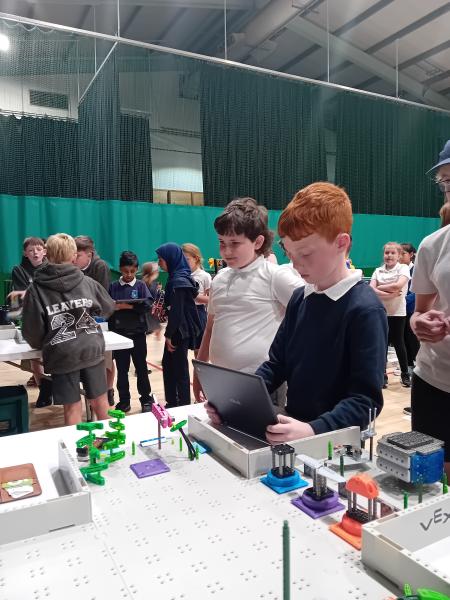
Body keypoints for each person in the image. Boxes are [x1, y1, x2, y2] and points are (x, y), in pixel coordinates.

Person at [204, 183, 387, 443]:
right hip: (294, 428)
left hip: (336, 442)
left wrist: (314, 429)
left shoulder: (364, 309)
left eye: (306, 254)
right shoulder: (301, 298)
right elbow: (276, 365)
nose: (296, 264)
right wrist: (235, 400)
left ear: (341, 243)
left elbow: (365, 400)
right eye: (290, 254)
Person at [193, 197, 303, 407]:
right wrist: (199, 372)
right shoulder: (220, 279)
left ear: (258, 242)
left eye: (235, 243)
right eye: (222, 242)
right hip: (222, 380)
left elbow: (312, 312)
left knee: (264, 430)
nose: (226, 251)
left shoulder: (275, 276)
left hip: (264, 382)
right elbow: (210, 327)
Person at [21, 233, 115, 425]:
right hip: (91, 348)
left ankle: (76, 444)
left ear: (47, 255)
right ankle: (109, 441)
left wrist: (43, 343)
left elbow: (32, 330)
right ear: (73, 256)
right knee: (100, 402)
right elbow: (108, 307)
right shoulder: (87, 281)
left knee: (72, 408)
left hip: (62, 353)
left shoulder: (36, 289)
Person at [410, 139, 450, 478]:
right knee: (432, 483)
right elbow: (419, 312)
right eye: (446, 181)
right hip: (433, 381)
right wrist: (420, 324)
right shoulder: (433, 245)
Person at [108, 251, 155, 413]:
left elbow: (147, 305)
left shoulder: (140, 285)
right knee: (122, 370)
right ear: (120, 269)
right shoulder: (113, 286)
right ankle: (124, 401)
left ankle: (146, 399)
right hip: (119, 336)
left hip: (138, 334)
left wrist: (126, 306)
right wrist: (114, 307)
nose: (129, 275)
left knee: (141, 368)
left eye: (132, 271)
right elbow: (107, 306)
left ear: (137, 269)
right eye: (125, 271)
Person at [156, 243, 201, 408]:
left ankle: (183, 405)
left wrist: (169, 335)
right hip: (177, 329)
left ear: (171, 259)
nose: (159, 263)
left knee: (180, 369)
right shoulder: (176, 277)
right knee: (169, 366)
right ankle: (172, 402)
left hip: (179, 331)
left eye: (161, 259)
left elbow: (177, 312)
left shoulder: (179, 281)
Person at [74, 235, 116, 407]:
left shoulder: (100, 266)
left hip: (100, 319)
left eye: (78, 255)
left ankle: (109, 390)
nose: (74, 258)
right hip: (82, 321)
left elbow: (101, 297)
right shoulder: (75, 266)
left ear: (89, 254)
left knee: (106, 358)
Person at [10, 237, 52, 407]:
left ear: (45, 251)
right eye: (31, 250)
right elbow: (22, 295)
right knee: (35, 356)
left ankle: (54, 386)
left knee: (52, 355)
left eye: (38, 249)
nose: (35, 253)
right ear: (25, 253)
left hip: (51, 316)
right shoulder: (19, 270)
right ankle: (44, 389)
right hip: (31, 318)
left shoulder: (51, 268)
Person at [370, 243, 411, 388]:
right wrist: (390, 294)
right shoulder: (378, 270)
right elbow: (371, 289)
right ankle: (382, 375)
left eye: (393, 253)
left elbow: (397, 286)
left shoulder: (403, 268)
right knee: (382, 344)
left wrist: (380, 288)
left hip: (398, 312)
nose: (389, 255)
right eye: (387, 253)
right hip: (381, 311)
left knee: (399, 343)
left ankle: (405, 374)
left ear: (399, 255)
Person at [399, 243, 419, 415]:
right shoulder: (397, 270)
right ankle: (409, 367)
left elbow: (415, 293)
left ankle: (413, 368)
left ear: (411, 254)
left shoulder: (415, 269)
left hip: (410, 309)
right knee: (403, 339)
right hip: (399, 311)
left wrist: (402, 300)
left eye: (402, 253)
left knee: (412, 341)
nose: (399, 256)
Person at [182, 243, 212, 356]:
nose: (184, 263)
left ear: (196, 258)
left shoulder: (204, 276)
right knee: (182, 347)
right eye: (182, 260)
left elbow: (211, 299)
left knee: (199, 349)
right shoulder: (182, 275)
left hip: (198, 314)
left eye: (187, 259)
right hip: (183, 313)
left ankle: (198, 368)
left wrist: (196, 297)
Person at [141, 261, 162, 340]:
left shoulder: (145, 283)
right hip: (147, 312)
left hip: (147, 312)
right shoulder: (152, 285)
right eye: (157, 270)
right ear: (154, 272)